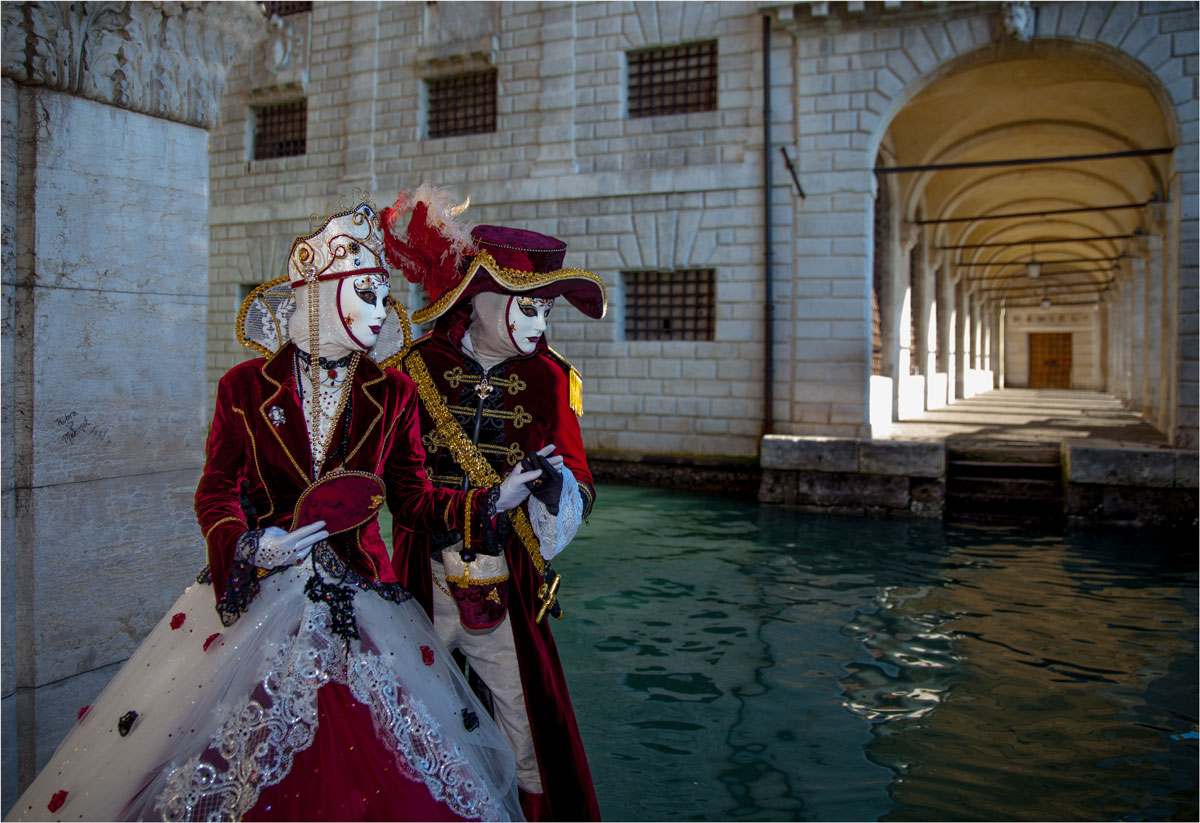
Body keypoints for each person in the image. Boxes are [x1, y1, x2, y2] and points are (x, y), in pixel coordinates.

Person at [7, 199, 536, 822]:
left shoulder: (391, 392)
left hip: (361, 603)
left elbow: (413, 498)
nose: (380, 312)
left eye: (381, 296)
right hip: (258, 597)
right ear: (318, 295)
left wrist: (487, 502)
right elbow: (217, 490)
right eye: (364, 294)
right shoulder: (245, 389)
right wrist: (249, 545)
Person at [380, 186, 606, 821]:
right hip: (420, 571)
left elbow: (581, 475)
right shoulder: (411, 367)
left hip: (504, 579)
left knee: (524, 726)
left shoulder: (550, 378)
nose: (540, 325)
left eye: (545, 311)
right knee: (407, 715)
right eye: (527, 308)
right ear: (479, 302)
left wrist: (557, 497)